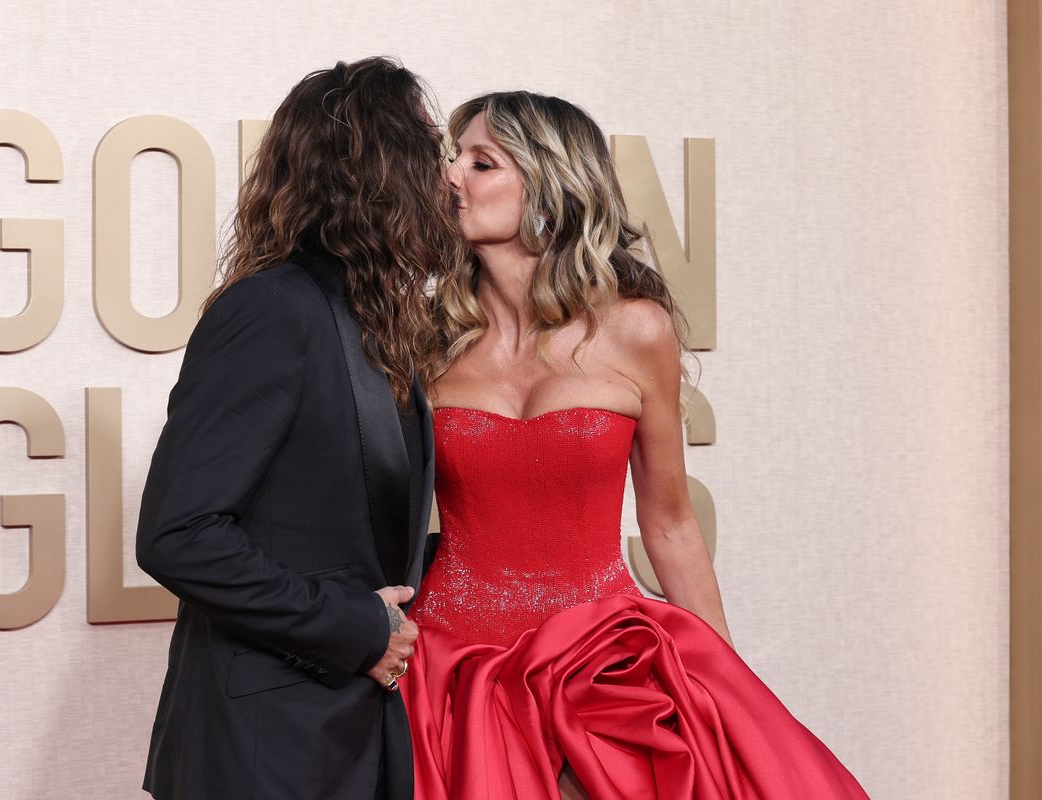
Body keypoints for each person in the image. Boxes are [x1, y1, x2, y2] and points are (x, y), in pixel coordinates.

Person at [403, 91, 869, 799]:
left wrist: (724, 695)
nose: (450, 177)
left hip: (603, 674)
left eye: (481, 162)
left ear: (550, 185)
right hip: (450, 674)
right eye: (451, 158)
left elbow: (670, 523)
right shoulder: (423, 341)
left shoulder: (636, 329)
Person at [134, 57, 460, 800]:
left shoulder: (373, 322)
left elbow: (345, 519)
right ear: (381, 167)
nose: (449, 179)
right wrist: (355, 627)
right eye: (432, 150)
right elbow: (178, 533)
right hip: (263, 748)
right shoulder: (270, 310)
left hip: (345, 735)